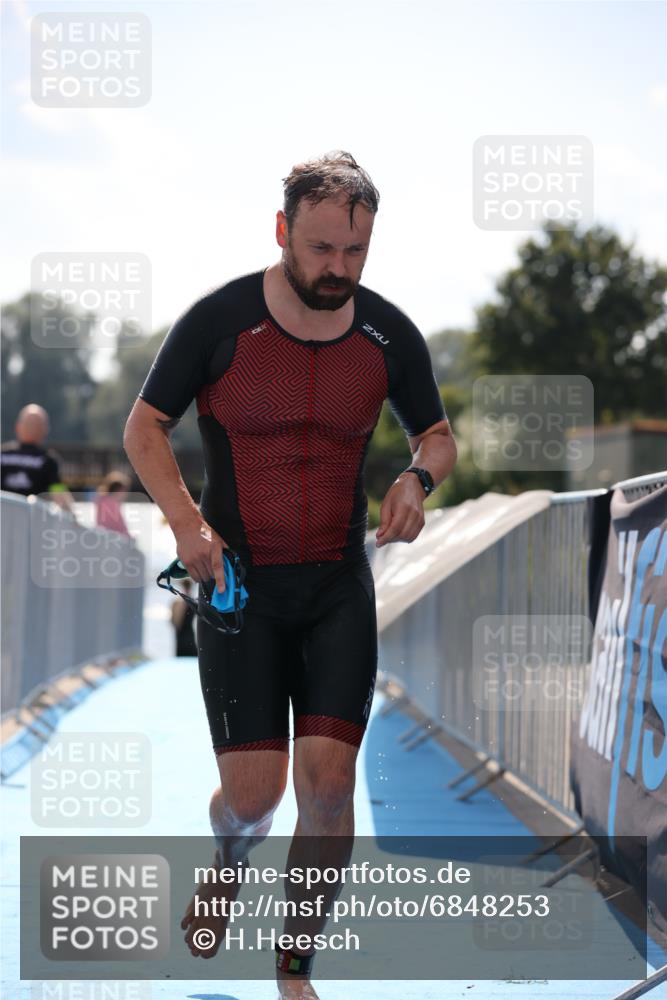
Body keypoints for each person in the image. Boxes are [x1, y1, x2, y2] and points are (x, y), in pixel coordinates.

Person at [123, 150, 457, 998]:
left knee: (329, 785)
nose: (337, 270)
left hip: (336, 585)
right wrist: (186, 523)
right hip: (239, 589)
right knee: (252, 797)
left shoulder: (387, 334)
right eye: (320, 250)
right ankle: (227, 858)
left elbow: (438, 436)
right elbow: (143, 430)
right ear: (282, 232)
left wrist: (417, 477)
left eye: (354, 253)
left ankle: (294, 968)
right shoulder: (220, 321)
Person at [1, 403, 75, 513]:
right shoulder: (48, 461)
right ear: (45, 430)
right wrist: (74, 516)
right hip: (30, 526)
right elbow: (60, 496)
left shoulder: (2, 454)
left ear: (17, 427)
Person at [95, 471, 131, 536]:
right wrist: (128, 537)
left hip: (103, 536)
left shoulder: (102, 500)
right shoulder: (111, 504)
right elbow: (119, 525)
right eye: (124, 491)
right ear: (119, 490)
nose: (126, 494)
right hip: (112, 538)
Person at [170, 577, 198, 656]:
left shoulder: (176, 603)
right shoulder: (194, 603)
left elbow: (174, 622)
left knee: (181, 659)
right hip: (189, 636)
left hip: (181, 636)